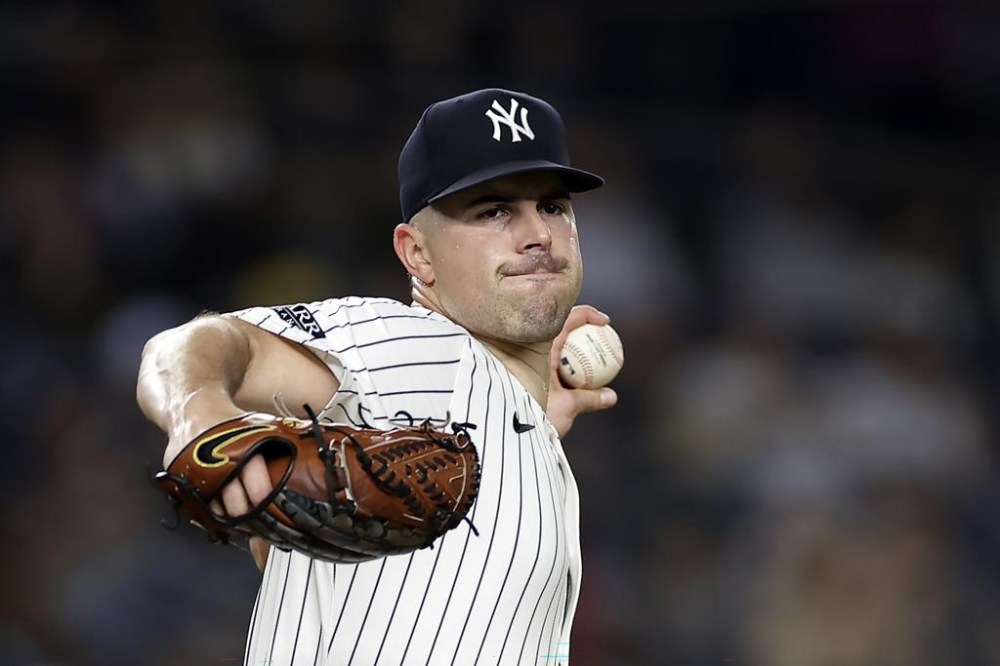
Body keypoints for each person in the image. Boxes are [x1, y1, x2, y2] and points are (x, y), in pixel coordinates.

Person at [137, 87, 618, 665]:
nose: (537, 233)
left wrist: (531, 420)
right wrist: (198, 413)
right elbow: (184, 345)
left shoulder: (510, 421)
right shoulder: (412, 345)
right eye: (493, 211)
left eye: (553, 207)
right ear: (417, 255)